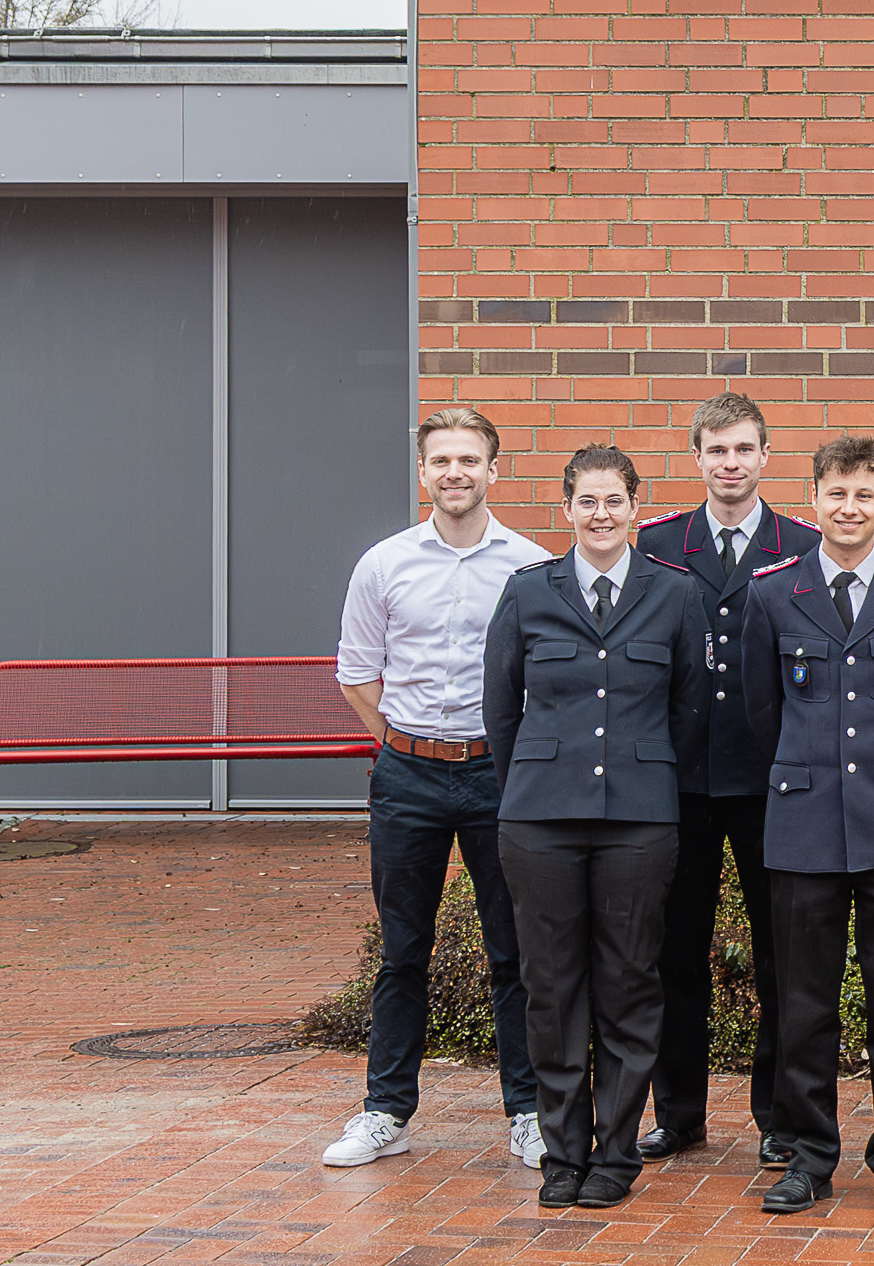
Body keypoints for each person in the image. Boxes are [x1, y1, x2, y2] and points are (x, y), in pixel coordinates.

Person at [482, 444, 715, 1208]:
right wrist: (530, 786)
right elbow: (501, 708)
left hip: (639, 819)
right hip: (540, 820)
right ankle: (562, 1153)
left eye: (615, 501)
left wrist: (646, 775)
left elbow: (690, 705)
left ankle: (614, 1152)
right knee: (551, 989)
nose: (602, 515)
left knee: (628, 982)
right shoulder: (527, 592)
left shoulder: (674, 594)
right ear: (566, 509)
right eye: (587, 501)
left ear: (635, 508)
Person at [738, 435, 874, 1215]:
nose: (850, 509)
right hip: (803, 826)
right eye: (837, 494)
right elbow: (762, 712)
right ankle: (807, 1155)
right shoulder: (773, 593)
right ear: (815, 499)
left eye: (865, 495)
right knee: (804, 1004)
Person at [326, 407, 551, 1174]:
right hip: (408, 776)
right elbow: (356, 672)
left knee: (514, 950)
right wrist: (399, 742)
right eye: (441, 460)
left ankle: (528, 1113)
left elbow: (546, 676)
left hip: (499, 774)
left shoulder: (529, 565)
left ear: (495, 469)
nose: (456, 472)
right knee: (402, 951)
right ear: (423, 473)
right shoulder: (383, 565)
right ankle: (386, 1111)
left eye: (470, 459)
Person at [634, 391, 819, 1169]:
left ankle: (780, 1115)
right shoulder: (657, 542)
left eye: (744, 449)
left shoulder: (802, 541)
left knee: (783, 955)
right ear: (698, 457)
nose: (731, 464)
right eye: (717, 450)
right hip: (678, 779)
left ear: (765, 455)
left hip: (770, 776)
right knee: (675, 952)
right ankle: (679, 1114)